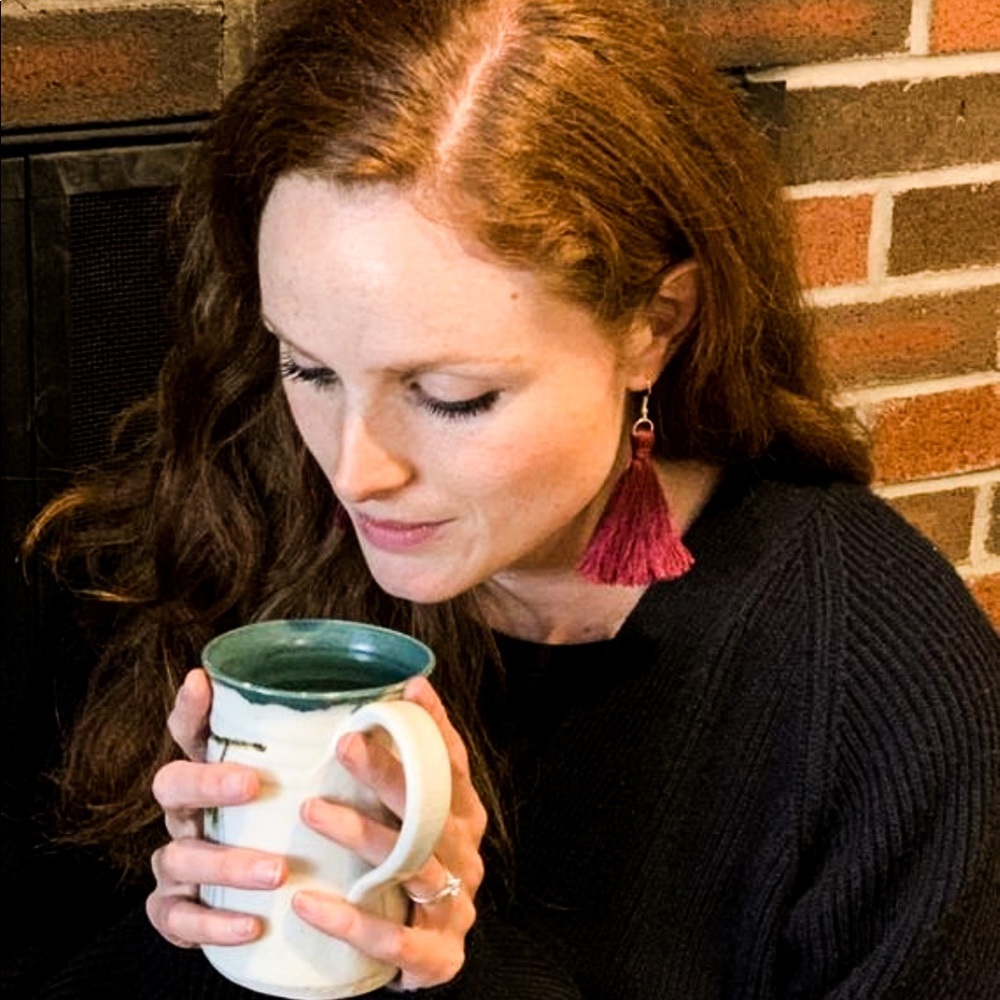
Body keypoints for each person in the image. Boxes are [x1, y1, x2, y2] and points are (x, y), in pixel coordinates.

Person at [25, 0, 999, 996]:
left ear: (653, 328)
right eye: (309, 370)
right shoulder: (226, 514)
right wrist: (206, 924)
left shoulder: (874, 689)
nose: (355, 470)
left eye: (454, 396)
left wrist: (453, 965)